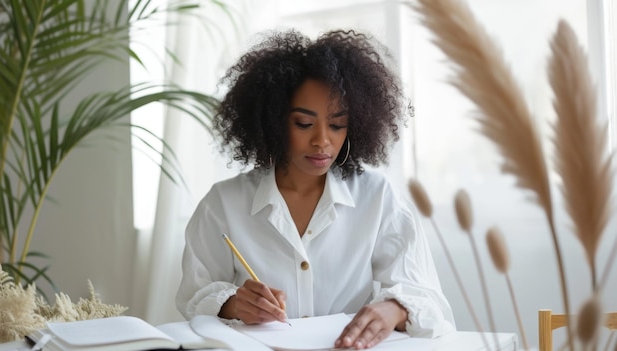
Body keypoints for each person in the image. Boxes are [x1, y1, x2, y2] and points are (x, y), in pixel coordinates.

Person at [176, 29, 455, 349]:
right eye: (304, 124)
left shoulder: (377, 196)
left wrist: (392, 309)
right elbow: (192, 296)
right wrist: (234, 304)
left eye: (337, 124)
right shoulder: (223, 203)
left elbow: (429, 301)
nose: (322, 140)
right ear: (272, 121)